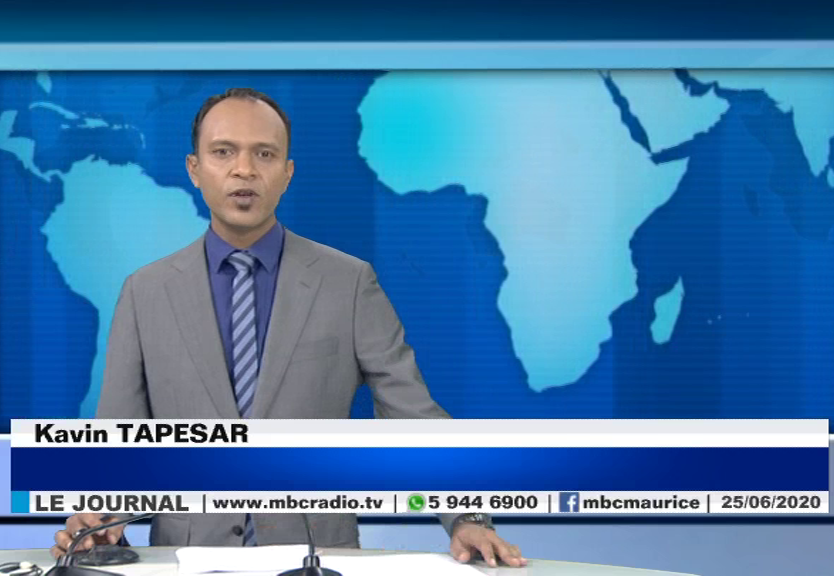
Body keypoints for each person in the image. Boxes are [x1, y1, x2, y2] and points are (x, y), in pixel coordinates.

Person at [51, 88, 526, 568]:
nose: (244, 170)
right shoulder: (145, 292)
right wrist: (101, 520)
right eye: (223, 152)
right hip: (186, 560)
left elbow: (412, 415)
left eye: (264, 154)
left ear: (287, 172)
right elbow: (120, 441)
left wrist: (468, 517)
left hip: (318, 559)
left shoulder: (348, 283)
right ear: (194, 169)